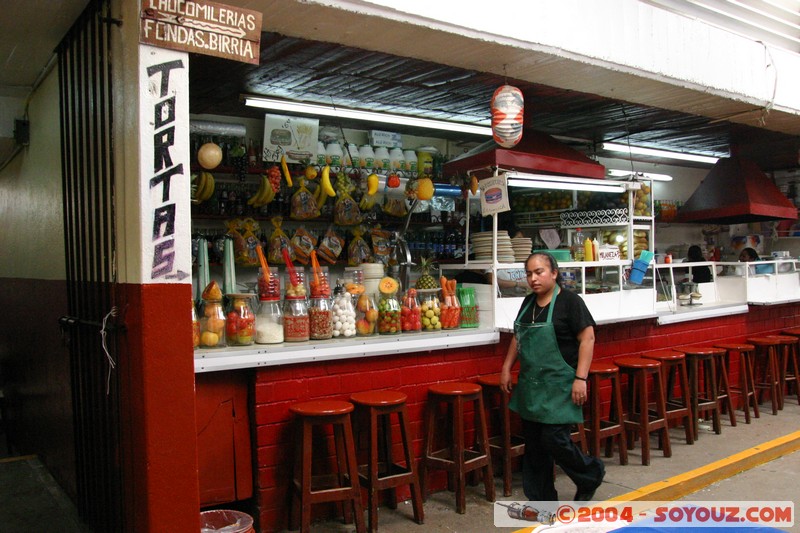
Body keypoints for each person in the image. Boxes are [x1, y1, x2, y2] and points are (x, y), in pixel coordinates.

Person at [500, 252, 605, 502]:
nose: (533, 279)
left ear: (554, 273)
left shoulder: (570, 302)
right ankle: (542, 502)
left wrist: (581, 378)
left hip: (561, 385)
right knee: (535, 446)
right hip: (532, 386)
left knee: (554, 439)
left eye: (539, 272)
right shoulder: (527, 303)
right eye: (529, 274)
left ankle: (590, 473)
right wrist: (506, 367)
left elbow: (587, 339)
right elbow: (518, 336)